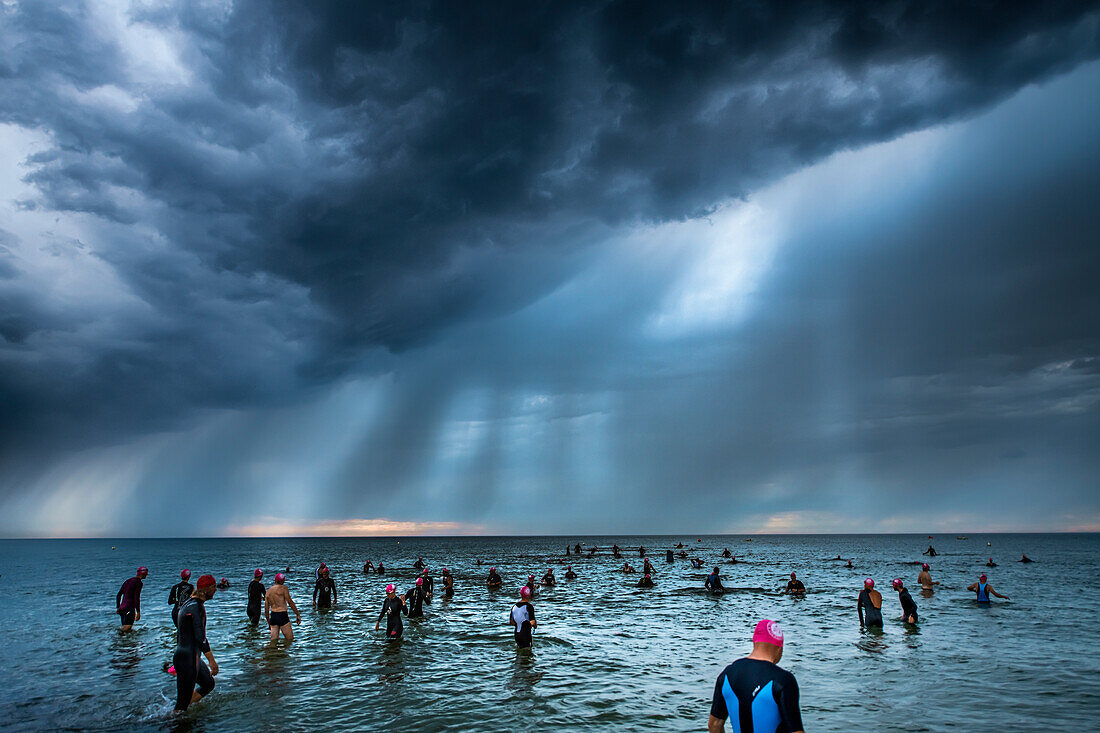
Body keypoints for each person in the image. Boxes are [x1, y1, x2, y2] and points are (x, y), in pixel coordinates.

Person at [708, 620, 804, 733]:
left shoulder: (727, 674)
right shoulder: (783, 679)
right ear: (780, 648)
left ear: (755, 643)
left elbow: (714, 725)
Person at [173, 574, 219, 713]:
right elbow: (201, 638)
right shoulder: (197, 607)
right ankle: (175, 722)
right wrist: (212, 661)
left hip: (189, 656)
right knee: (180, 707)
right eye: (214, 587)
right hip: (187, 659)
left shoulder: (188, 603)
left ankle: (189, 707)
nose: (215, 590)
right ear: (207, 589)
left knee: (208, 684)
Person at [264, 572, 301, 644]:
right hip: (282, 615)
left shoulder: (268, 591)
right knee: (290, 640)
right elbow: (290, 602)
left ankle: (272, 654)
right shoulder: (284, 589)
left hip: (273, 616)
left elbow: (266, 609)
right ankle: (284, 654)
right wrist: (297, 614)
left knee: (273, 641)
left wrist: (269, 622)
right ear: (282, 581)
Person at [116, 566, 147, 631]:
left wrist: (118, 607)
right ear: (143, 574)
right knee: (126, 629)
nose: (147, 575)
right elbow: (136, 597)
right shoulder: (139, 583)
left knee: (127, 630)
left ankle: (126, 641)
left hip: (122, 609)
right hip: (129, 608)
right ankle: (116, 639)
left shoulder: (128, 581)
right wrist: (138, 612)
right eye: (146, 574)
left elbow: (118, 595)